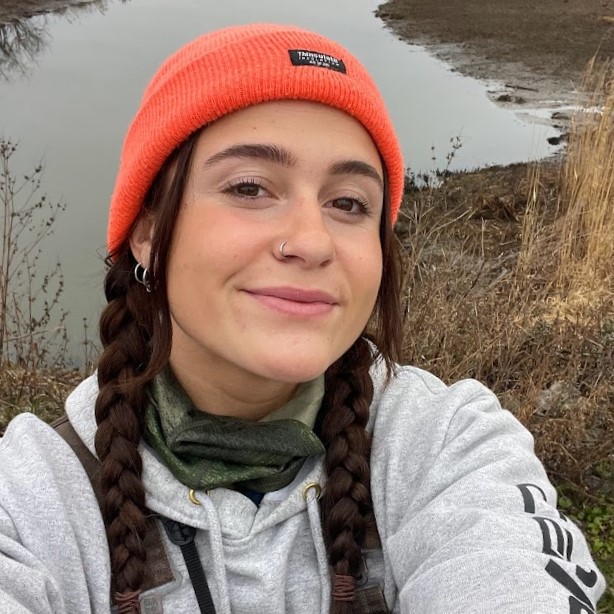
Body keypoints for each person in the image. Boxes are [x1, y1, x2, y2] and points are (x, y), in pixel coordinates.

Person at [0, 23, 605, 614]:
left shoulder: (445, 444)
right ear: (149, 232)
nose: (312, 242)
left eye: (348, 203)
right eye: (250, 188)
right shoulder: (31, 495)